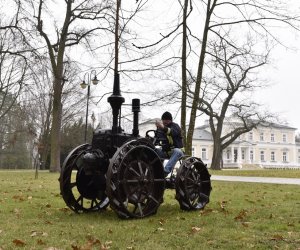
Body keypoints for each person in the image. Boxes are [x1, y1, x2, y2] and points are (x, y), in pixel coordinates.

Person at [155, 111, 184, 176]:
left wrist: (162, 127)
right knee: (155, 151)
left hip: (178, 151)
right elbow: (156, 140)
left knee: (177, 151)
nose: (164, 122)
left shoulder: (175, 126)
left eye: (166, 120)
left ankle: (165, 172)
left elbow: (172, 132)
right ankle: (155, 171)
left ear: (170, 120)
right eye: (163, 120)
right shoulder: (160, 129)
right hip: (166, 152)